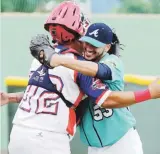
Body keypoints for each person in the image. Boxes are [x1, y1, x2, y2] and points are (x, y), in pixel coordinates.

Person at [1, 1, 160, 154]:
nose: (89, 48)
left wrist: (149, 93)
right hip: (70, 141)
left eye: (95, 44)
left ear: (107, 46)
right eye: (87, 42)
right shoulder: (73, 64)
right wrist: (12, 97)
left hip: (119, 140)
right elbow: (52, 93)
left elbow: (104, 77)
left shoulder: (110, 62)